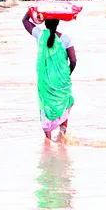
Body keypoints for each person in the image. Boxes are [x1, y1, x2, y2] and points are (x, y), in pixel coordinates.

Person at [22, 11, 77, 141]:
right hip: (62, 80)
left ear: (45, 23)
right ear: (58, 23)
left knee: (46, 106)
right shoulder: (66, 39)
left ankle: (48, 141)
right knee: (63, 103)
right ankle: (62, 136)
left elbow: (25, 21)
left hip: (45, 81)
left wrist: (31, 10)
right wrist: (66, 74)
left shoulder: (41, 35)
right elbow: (73, 61)